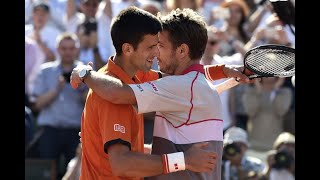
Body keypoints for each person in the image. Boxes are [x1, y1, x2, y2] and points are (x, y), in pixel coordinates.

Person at [71, 7, 250, 179]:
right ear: (127, 49)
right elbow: (123, 163)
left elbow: (118, 92)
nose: (156, 53)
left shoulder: (176, 84)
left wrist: (84, 73)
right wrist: (184, 160)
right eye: (151, 47)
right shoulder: (116, 87)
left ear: (181, 51)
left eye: (160, 46)